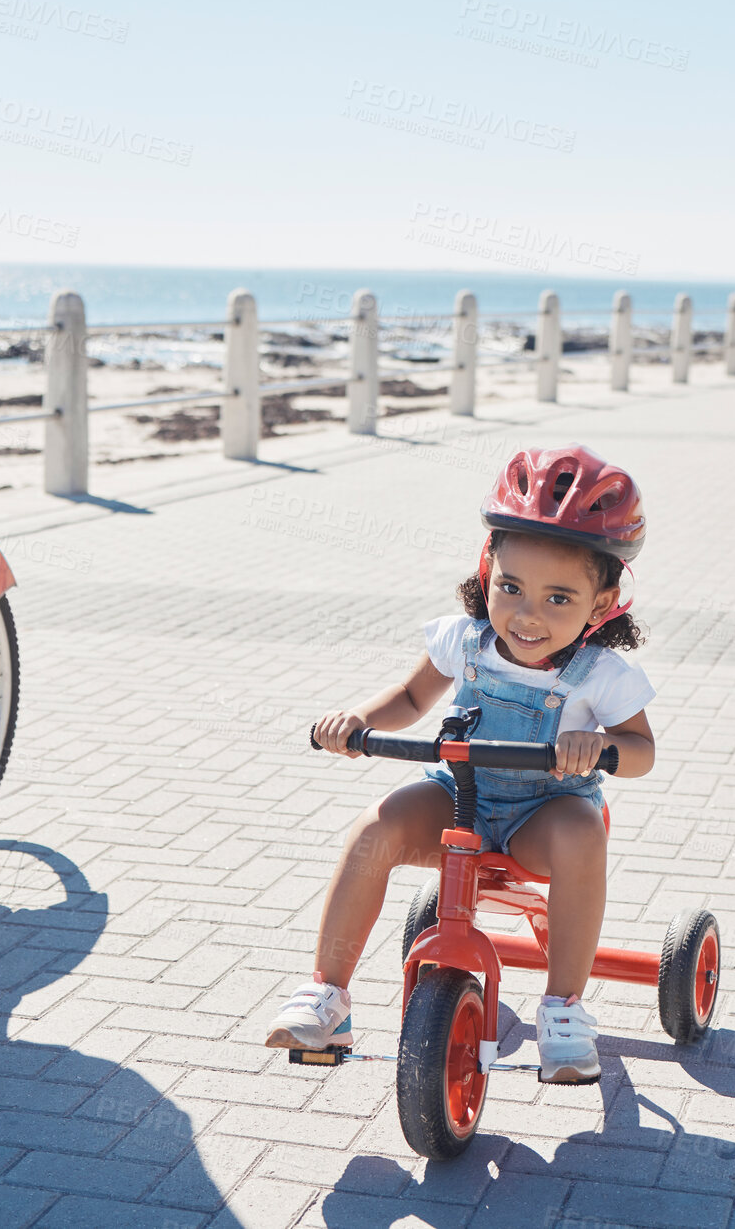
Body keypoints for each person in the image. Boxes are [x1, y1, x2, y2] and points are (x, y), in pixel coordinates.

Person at [265, 445, 658, 1084]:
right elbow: (413, 698)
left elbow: (641, 753)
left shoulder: (603, 675)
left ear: (602, 600)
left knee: (583, 834)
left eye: (559, 598)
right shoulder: (464, 640)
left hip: (546, 811)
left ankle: (562, 1009)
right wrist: (358, 720)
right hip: (460, 790)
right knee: (375, 827)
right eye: (511, 588)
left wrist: (603, 748)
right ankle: (327, 995)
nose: (527, 615)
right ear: (487, 570)